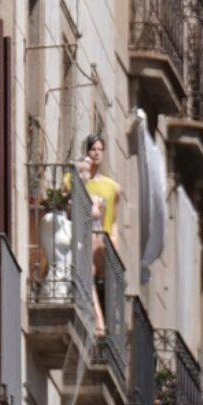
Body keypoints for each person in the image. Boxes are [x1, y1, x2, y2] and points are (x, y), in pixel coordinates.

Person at [81, 133, 122, 333]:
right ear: (86, 152)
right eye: (92, 149)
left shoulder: (113, 187)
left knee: (99, 273)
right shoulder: (74, 179)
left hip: (101, 240)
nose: (96, 153)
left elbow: (113, 221)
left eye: (99, 150)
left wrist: (114, 240)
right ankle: (99, 320)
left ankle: (104, 320)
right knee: (88, 271)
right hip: (82, 237)